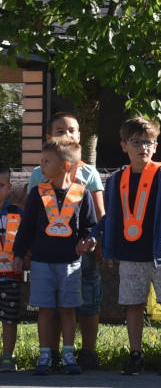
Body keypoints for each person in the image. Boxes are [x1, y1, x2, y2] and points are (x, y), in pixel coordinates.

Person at [95, 117, 161, 376]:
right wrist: (102, 241)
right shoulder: (116, 180)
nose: (143, 148)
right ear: (124, 145)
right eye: (136, 142)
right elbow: (110, 217)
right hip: (130, 256)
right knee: (133, 305)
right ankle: (136, 354)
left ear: (156, 146)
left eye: (149, 142)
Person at [26, 112, 107, 370]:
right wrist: (26, 249)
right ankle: (50, 353)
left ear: (80, 136)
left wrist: (96, 242)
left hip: (80, 253)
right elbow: (30, 216)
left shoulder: (89, 173)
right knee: (51, 304)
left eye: (72, 130)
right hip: (47, 254)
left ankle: (87, 352)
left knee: (87, 300)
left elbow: (98, 214)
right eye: (60, 131)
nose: (67, 135)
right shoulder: (39, 173)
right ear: (49, 137)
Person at [11, 137, 98, 376]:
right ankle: (45, 355)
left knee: (68, 310)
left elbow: (90, 226)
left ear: (65, 166)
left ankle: (69, 355)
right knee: (46, 310)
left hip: (71, 264)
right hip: (41, 263)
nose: (41, 166)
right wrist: (18, 253)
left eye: (46, 161)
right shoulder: (37, 193)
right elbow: (26, 227)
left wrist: (89, 241)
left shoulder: (82, 194)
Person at [0, 163, 24, 371]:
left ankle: (7, 356)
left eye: (0, 185)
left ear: (9, 187)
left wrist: (24, 258)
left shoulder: (17, 213)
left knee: (9, 318)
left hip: (10, 275)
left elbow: (24, 242)